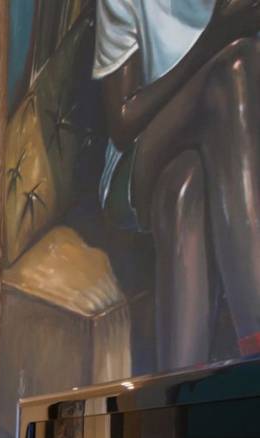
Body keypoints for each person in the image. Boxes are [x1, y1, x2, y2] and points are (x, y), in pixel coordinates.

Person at [95, 0, 260, 370]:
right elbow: (123, 121)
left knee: (184, 186)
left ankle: (182, 394)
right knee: (232, 72)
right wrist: (213, 39)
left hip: (224, 153)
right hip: (137, 160)